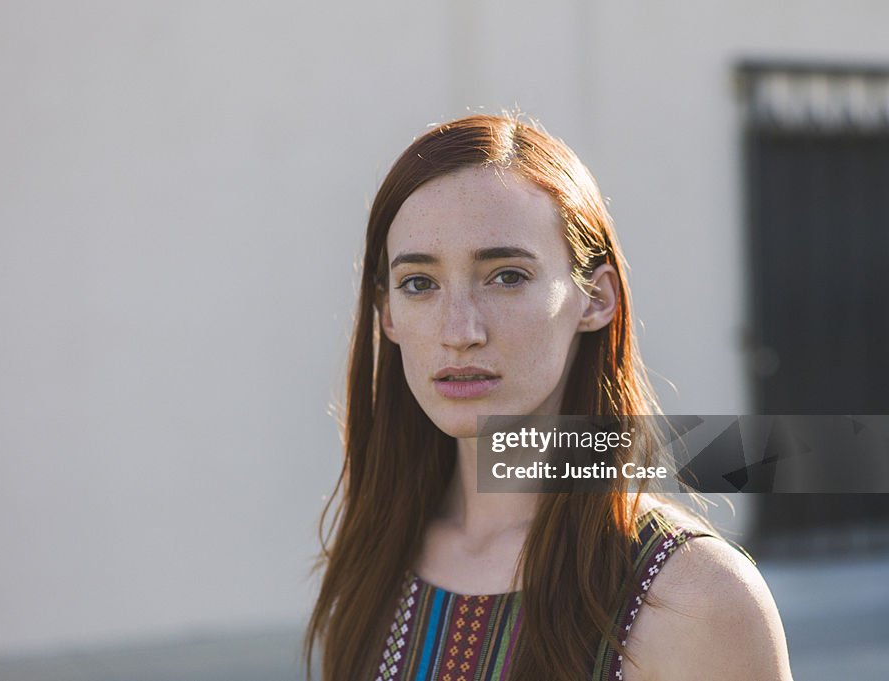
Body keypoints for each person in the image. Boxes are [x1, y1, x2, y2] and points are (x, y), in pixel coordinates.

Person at [304, 113, 793, 680]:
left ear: (595, 299)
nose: (460, 331)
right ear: (387, 314)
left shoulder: (694, 597)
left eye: (507, 276)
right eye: (420, 284)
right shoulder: (379, 556)